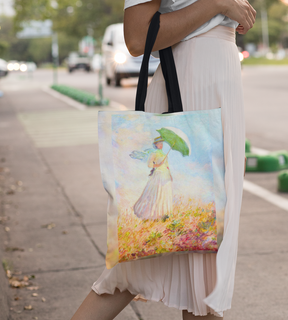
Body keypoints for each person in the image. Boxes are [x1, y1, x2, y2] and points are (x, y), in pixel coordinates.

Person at [71, 0, 255, 319]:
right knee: (203, 259)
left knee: (190, 257)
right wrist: (217, 4)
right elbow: (137, 38)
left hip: (218, 87)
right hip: (192, 92)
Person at [133, 137, 173, 220]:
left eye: (161, 143)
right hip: (158, 174)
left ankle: (163, 214)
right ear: (156, 145)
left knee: (164, 193)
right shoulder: (154, 153)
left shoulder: (165, 154)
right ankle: (152, 214)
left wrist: (170, 175)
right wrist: (158, 165)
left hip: (165, 175)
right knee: (156, 193)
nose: (160, 145)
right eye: (159, 144)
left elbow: (167, 166)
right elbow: (150, 164)